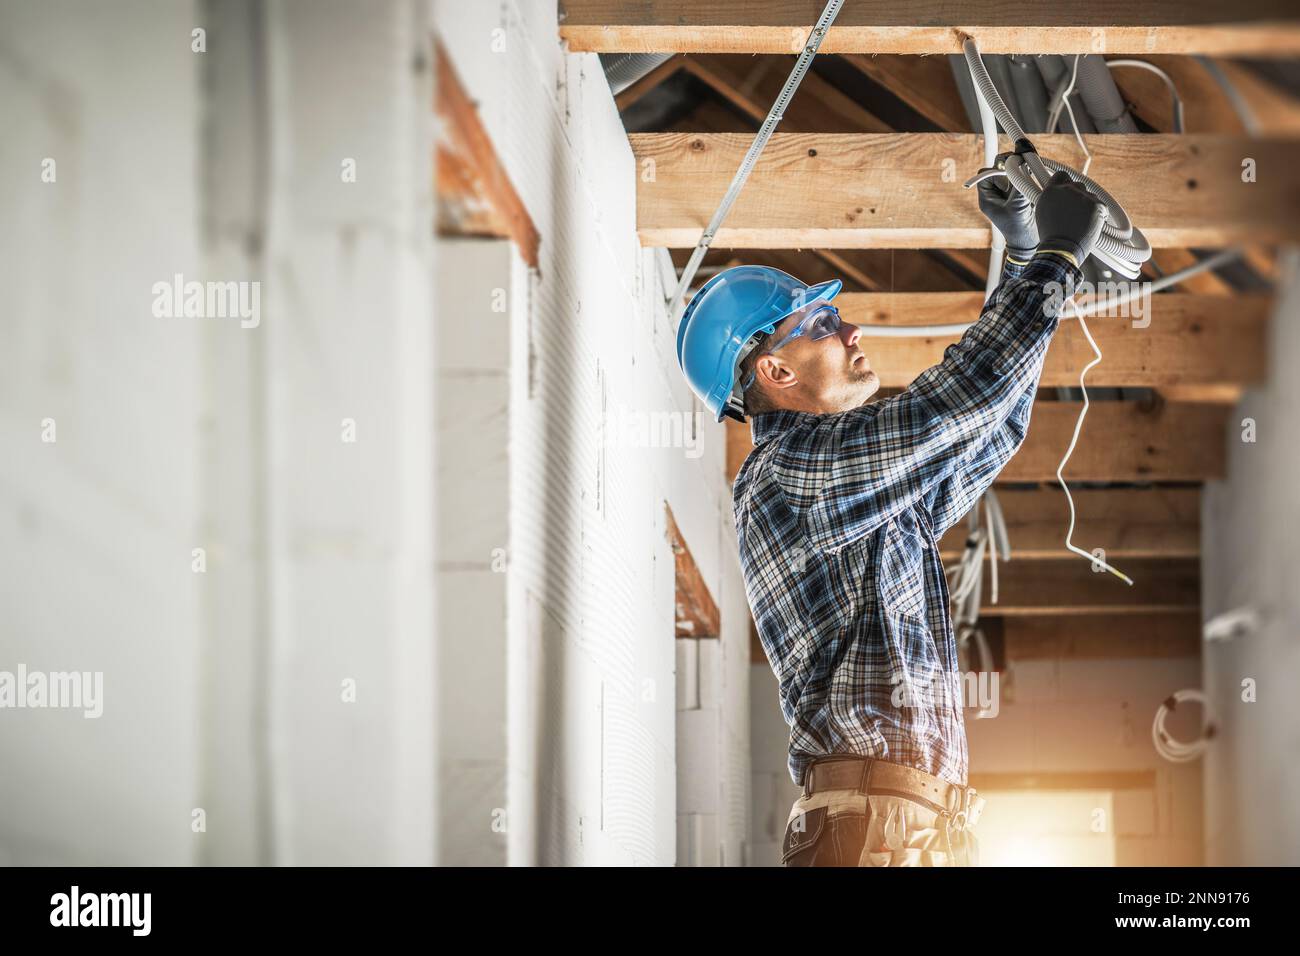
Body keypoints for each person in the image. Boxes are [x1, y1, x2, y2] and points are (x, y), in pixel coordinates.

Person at [675, 170, 1106, 865]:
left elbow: (992, 423)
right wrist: (1053, 259)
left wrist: (1031, 261)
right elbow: (957, 403)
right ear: (776, 373)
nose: (849, 329)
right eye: (819, 325)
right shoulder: (789, 476)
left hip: (901, 827)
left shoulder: (858, 490)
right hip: (877, 830)